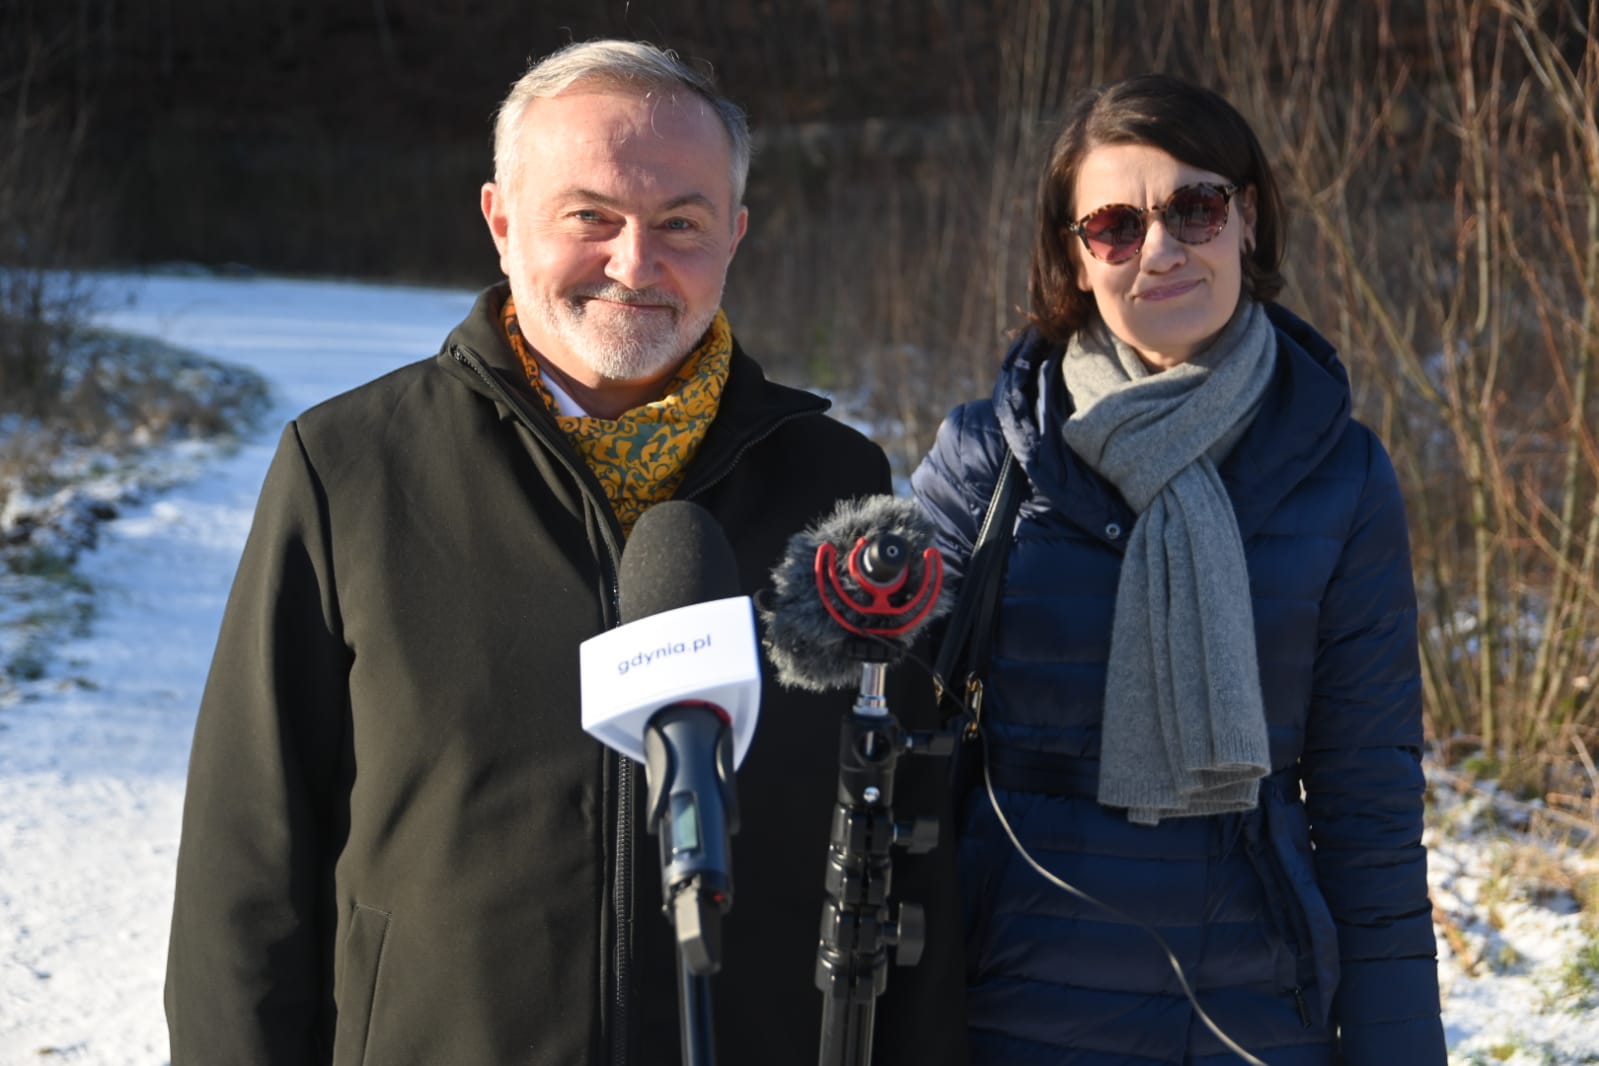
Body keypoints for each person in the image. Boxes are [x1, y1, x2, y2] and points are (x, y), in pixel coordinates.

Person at [165, 39, 963, 1066]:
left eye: (681, 221)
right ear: (502, 221)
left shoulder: (834, 483)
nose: (636, 263)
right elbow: (249, 867)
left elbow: (902, 844)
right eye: (591, 216)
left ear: (736, 235)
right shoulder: (351, 469)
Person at [912, 74, 1445, 1065]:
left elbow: (1368, 811)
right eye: (1114, 225)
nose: (1160, 249)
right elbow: (873, 695)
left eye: (1194, 208)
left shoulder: (1340, 474)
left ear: (1247, 219)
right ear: (1072, 257)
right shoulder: (992, 456)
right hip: (1012, 1006)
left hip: (1251, 1012)